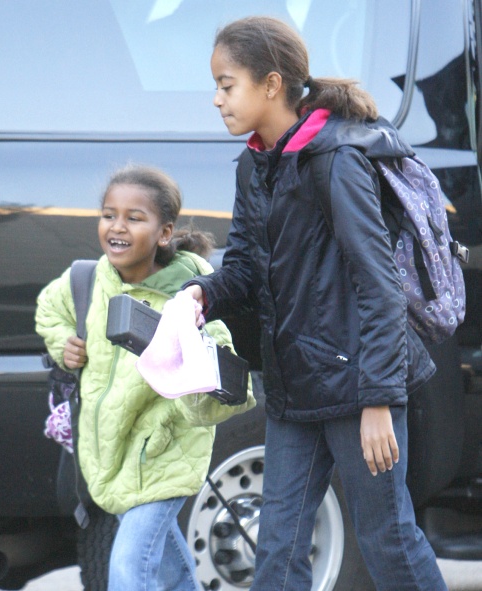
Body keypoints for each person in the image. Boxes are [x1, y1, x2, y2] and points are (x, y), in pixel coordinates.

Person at [183, 15, 448, 591]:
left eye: (227, 85)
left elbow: (379, 285)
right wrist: (200, 294)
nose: (217, 99)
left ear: (271, 84)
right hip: (296, 387)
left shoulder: (336, 160)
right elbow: (245, 266)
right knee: (277, 549)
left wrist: (379, 401)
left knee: (387, 538)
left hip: (359, 387)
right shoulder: (255, 164)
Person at [35, 164, 256, 591]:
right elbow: (49, 309)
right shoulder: (87, 279)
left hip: (162, 456)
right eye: (109, 215)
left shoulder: (189, 300)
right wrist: (64, 343)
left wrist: (190, 372)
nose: (117, 226)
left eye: (134, 218)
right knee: (171, 573)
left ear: (164, 233)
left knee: (127, 570)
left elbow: (223, 389)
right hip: (109, 454)